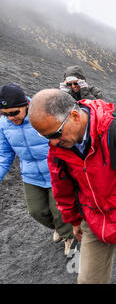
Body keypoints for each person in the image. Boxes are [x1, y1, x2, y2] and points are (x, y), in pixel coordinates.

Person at [28, 89, 116, 284]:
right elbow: (62, 188)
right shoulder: (59, 149)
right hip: (94, 219)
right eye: (46, 137)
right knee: (88, 280)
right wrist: (74, 220)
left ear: (74, 116)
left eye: (55, 133)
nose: (52, 142)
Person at [0, 84, 75, 256]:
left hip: (55, 171)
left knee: (59, 210)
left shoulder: (43, 114)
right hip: (30, 175)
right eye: (5, 114)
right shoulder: (3, 125)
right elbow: (4, 155)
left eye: (14, 112)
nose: (10, 118)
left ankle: (69, 237)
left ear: (26, 105)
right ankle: (60, 228)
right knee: (36, 211)